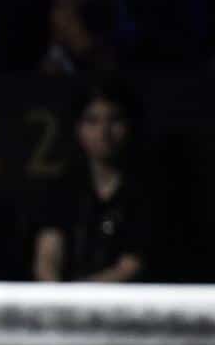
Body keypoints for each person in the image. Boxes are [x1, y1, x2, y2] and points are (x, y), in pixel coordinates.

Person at [31, 80, 151, 282]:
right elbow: (47, 258)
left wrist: (80, 299)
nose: (104, 132)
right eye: (92, 121)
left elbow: (131, 266)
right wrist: (56, 299)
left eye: (114, 120)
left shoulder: (149, 189)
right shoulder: (62, 188)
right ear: (78, 128)